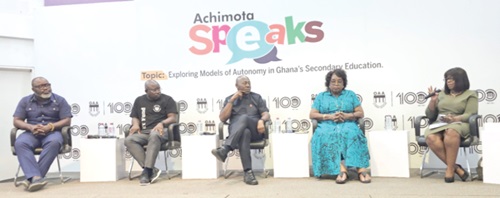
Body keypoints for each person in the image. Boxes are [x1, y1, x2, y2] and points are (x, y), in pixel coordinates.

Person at [309, 69, 371, 184]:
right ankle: (341, 169)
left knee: (352, 133)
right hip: (327, 124)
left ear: (344, 83)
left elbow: (360, 113)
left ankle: (361, 169)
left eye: (339, 81)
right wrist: (329, 116)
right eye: (333, 81)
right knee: (324, 135)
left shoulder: (350, 95)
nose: (336, 84)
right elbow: (312, 114)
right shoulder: (321, 96)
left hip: (347, 123)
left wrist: (348, 115)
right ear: (328, 83)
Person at [13, 77, 73, 192]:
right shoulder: (25, 101)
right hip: (32, 132)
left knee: (54, 142)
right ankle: (37, 177)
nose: (45, 88)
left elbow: (67, 120)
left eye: (47, 85)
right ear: (33, 89)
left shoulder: (60, 100)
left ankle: (33, 178)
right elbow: (17, 121)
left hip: (52, 132)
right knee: (20, 143)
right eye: (41, 86)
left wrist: (50, 127)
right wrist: (30, 127)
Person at [211, 75, 270, 185]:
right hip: (238, 133)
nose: (248, 85)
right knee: (244, 133)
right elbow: (222, 118)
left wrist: (261, 120)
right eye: (244, 83)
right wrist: (232, 100)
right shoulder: (230, 99)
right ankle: (248, 172)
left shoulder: (256, 97)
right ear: (237, 86)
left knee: (244, 118)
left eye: (249, 82)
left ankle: (226, 148)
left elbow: (266, 113)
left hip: (255, 130)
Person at [425, 67, 477, 183]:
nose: (448, 81)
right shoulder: (441, 94)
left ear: (461, 80)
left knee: (451, 131)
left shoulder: (470, 94)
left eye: (452, 79)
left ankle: (449, 169)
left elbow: (471, 114)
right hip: (440, 123)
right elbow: (430, 115)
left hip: (460, 123)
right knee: (430, 137)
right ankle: (456, 168)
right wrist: (433, 101)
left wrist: (454, 119)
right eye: (447, 79)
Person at [124, 80, 178, 186]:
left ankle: (147, 171)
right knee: (129, 140)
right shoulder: (139, 100)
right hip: (144, 133)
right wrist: (135, 124)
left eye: (159, 89)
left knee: (154, 134)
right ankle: (151, 169)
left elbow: (173, 118)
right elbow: (135, 117)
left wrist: (161, 123)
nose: (158, 91)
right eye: (154, 90)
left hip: (162, 132)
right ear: (146, 91)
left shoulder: (167, 99)